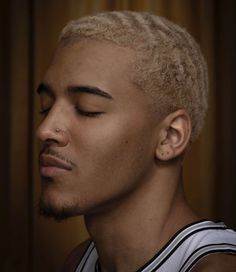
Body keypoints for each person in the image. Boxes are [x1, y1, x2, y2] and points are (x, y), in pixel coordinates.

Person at [36, 11, 236, 272]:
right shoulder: (79, 262)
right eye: (46, 106)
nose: (45, 130)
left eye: (87, 108)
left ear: (170, 137)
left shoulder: (218, 267)